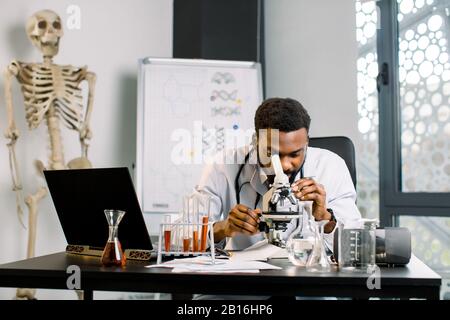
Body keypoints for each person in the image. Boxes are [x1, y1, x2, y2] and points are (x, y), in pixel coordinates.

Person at [194, 97, 361, 299]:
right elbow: (183, 237)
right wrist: (222, 228)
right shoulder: (223, 165)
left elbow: (357, 248)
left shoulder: (330, 166)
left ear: (307, 141)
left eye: (294, 154)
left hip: (309, 287)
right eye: (272, 153)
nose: (285, 165)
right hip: (241, 288)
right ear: (256, 142)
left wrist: (324, 218)